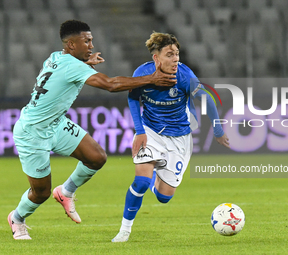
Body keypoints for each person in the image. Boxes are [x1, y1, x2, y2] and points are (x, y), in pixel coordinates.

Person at [8, 20, 176, 240]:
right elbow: (111, 84)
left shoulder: (56, 56)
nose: (91, 45)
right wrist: (151, 79)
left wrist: (86, 62)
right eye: (86, 41)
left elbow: (68, 72)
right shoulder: (73, 66)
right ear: (70, 45)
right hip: (33, 132)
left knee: (96, 157)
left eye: (91, 40)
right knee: (40, 193)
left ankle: (66, 192)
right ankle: (17, 218)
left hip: (56, 123)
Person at [112, 32, 230, 242]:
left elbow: (207, 100)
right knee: (139, 182)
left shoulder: (185, 76)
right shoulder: (143, 73)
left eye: (177, 54)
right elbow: (132, 99)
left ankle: (154, 178)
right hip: (150, 131)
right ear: (156, 58)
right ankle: (124, 231)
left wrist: (218, 130)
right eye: (169, 54)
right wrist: (139, 131)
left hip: (180, 137)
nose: (175, 59)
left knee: (164, 197)